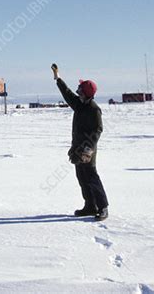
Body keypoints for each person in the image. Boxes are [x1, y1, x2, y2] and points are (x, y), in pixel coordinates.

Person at [51, 63, 109, 220]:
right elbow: (67, 94)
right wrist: (58, 78)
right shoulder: (79, 104)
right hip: (77, 147)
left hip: (87, 149)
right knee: (81, 177)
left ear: (86, 93)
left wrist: (86, 151)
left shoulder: (94, 109)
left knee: (91, 176)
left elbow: (98, 131)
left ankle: (103, 207)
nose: (78, 92)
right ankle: (90, 205)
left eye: (80, 90)